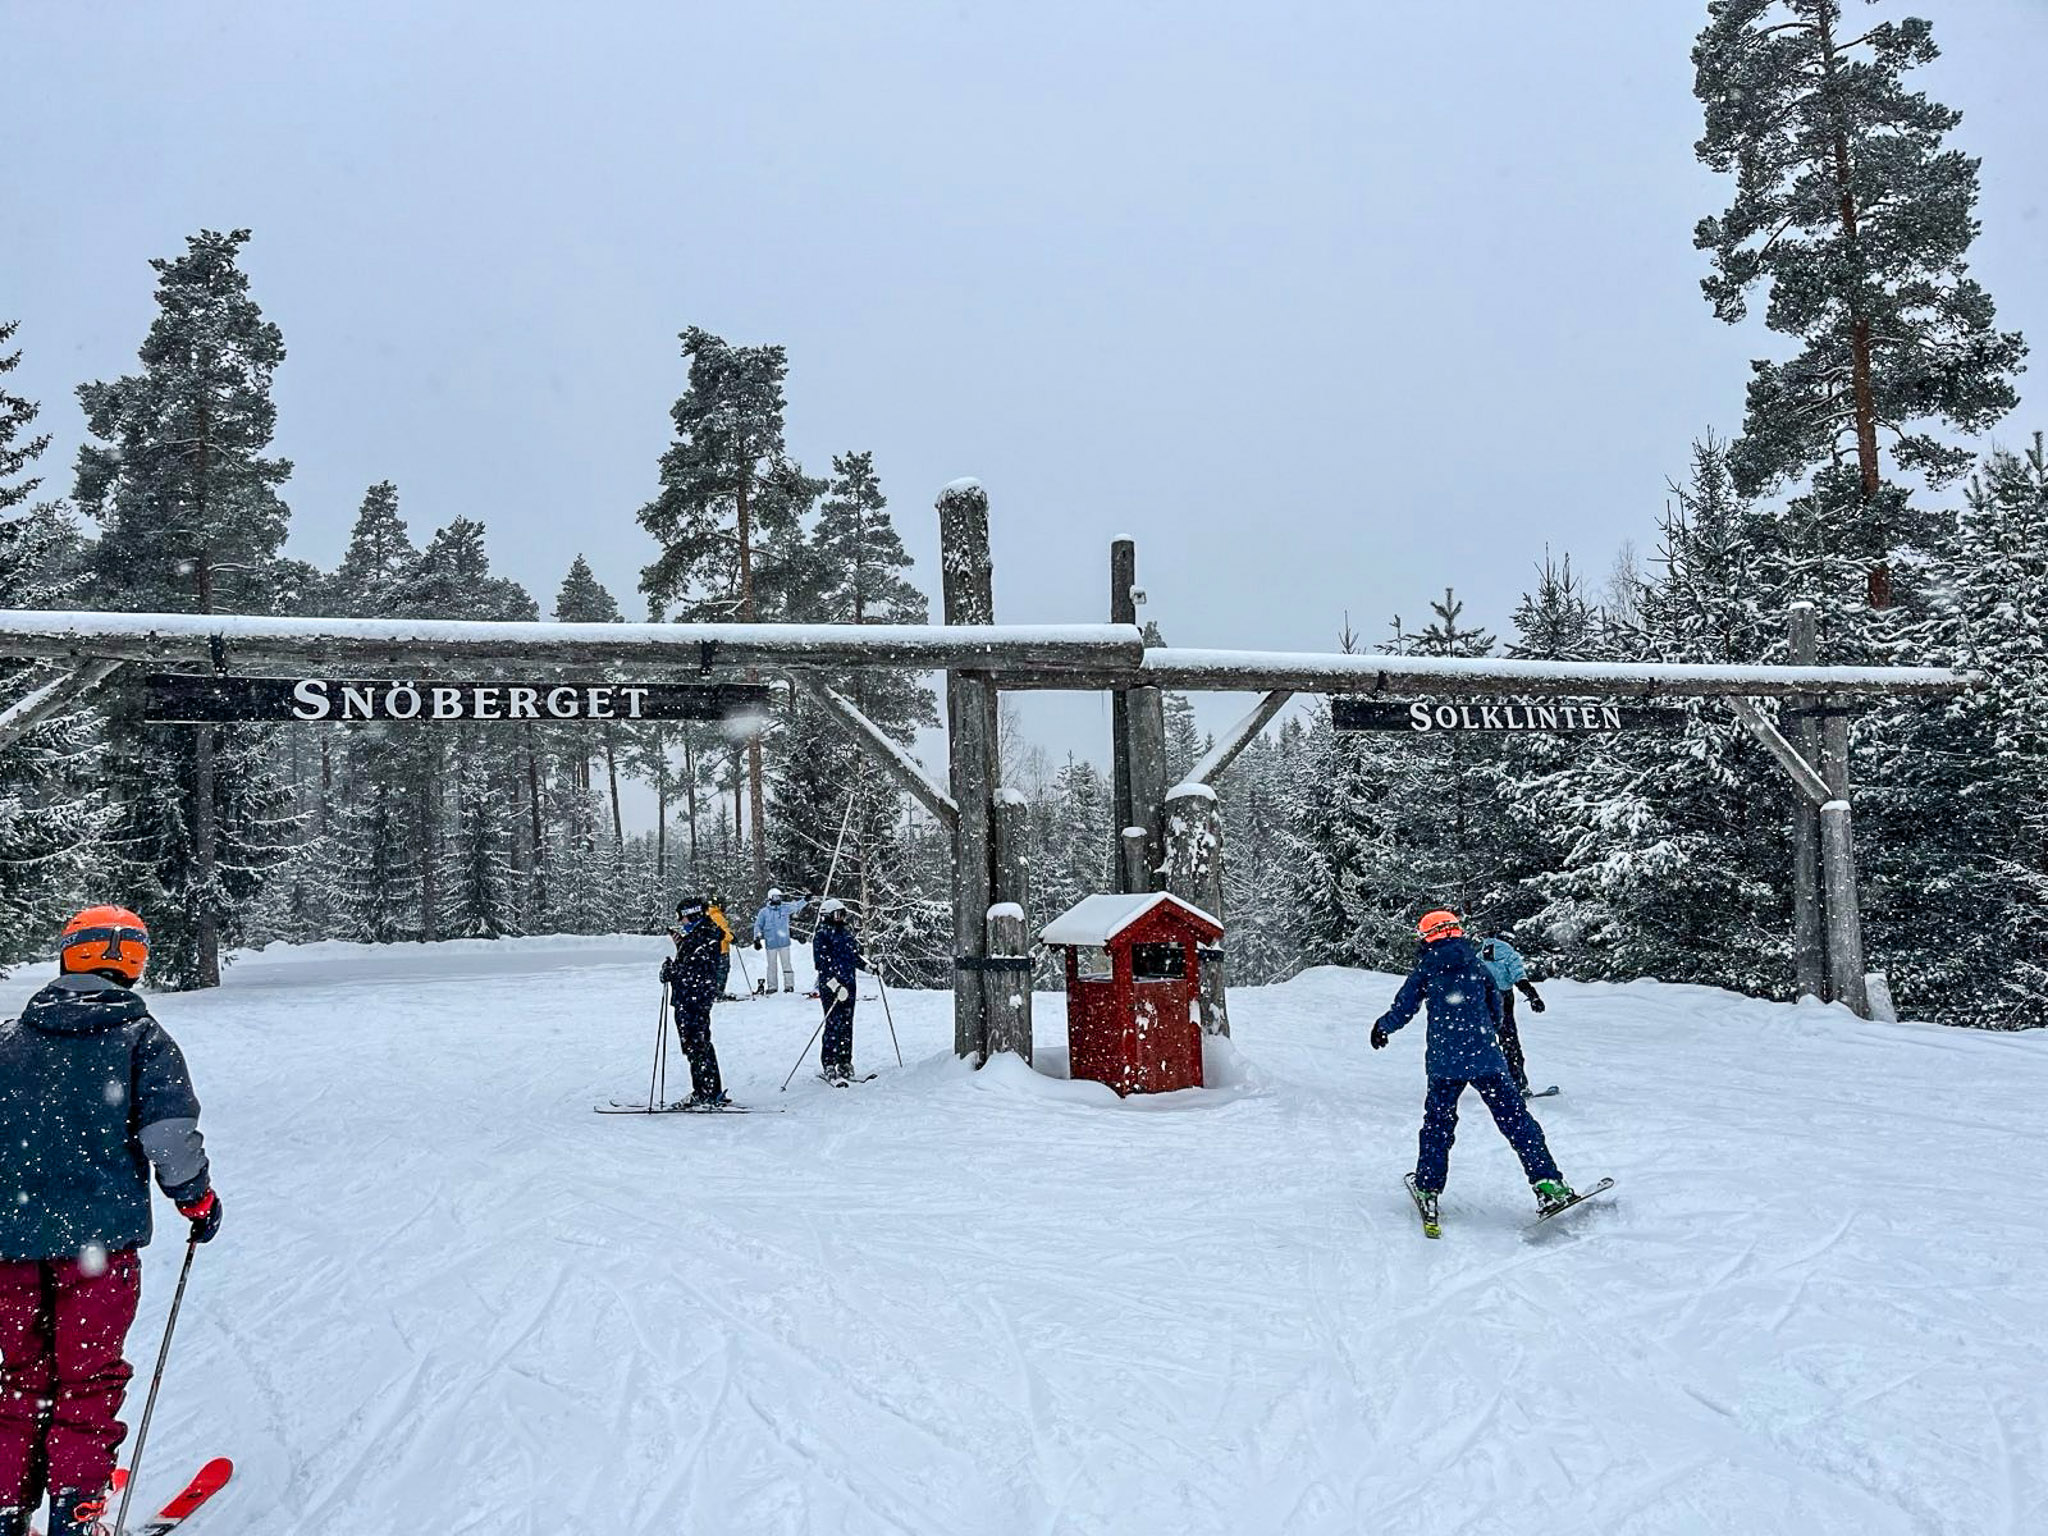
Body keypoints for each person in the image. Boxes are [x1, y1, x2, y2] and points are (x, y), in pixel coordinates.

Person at [0, 907, 222, 1536]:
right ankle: (77, 1509)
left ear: (70, 955)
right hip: (97, 1249)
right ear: (131, 963)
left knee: (21, 1379)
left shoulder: (12, 1037)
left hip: (9, 1248)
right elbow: (169, 1137)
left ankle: (6, 1510)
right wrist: (195, 1198)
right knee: (87, 1378)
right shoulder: (142, 1039)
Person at [1370, 908, 1575, 1226]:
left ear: (1428, 936)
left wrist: (1383, 1027)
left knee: (1438, 1126)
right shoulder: (1478, 966)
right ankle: (1548, 1183)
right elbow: (1497, 1010)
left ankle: (1428, 1187)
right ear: (1456, 931)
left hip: (1445, 1065)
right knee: (1517, 1122)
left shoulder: (1427, 969)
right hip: (1487, 1061)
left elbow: (1404, 1007)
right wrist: (1483, 1038)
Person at [660, 899, 728, 1108]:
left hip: (694, 998)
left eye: (684, 916)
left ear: (694, 914)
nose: (681, 920)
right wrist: (680, 949)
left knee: (696, 1044)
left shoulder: (705, 936)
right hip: (691, 997)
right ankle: (707, 1090)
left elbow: (696, 971)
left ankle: (706, 1091)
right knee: (696, 1044)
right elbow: (691, 963)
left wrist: (673, 972)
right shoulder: (700, 935)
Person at [1476, 933, 1547, 1096]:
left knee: (1484, 1041)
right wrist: (1533, 996)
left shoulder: (1480, 956)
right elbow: (1519, 978)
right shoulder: (1509, 955)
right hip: (1503, 999)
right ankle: (1518, 1084)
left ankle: (1486, 1081)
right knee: (1509, 1042)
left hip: (1483, 998)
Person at [811, 899, 862, 1084]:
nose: (841, 918)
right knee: (833, 1023)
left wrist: (869, 967)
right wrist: (834, 985)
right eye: (837, 914)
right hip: (832, 987)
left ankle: (845, 1061)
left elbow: (854, 956)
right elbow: (821, 964)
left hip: (849, 984)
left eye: (843, 914)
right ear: (828, 915)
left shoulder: (846, 932)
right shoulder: (822, 935)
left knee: (847, 1024)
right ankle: (829, 1063)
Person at [752, 887, 811, 995]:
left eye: (779, 897)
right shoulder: (764, 912)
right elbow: (758, 925)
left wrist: (805, 900)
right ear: (770, 898)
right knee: (771, 966)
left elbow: (796, 906)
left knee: (786, 964)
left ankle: (789, 986)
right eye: (775, 897)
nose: (778, 899)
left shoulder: (784, 908)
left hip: (784, 942)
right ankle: (772, 986)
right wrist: (757, 938)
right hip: (771, 943)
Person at [706, 895, 736, 1001]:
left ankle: (714, 991)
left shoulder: (710, 914)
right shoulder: (717, 916)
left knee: (715, 971)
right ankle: (718, 992)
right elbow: (723, 931)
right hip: (721, 948)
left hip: (715, 949)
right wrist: (731, 938)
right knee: (722, 971)